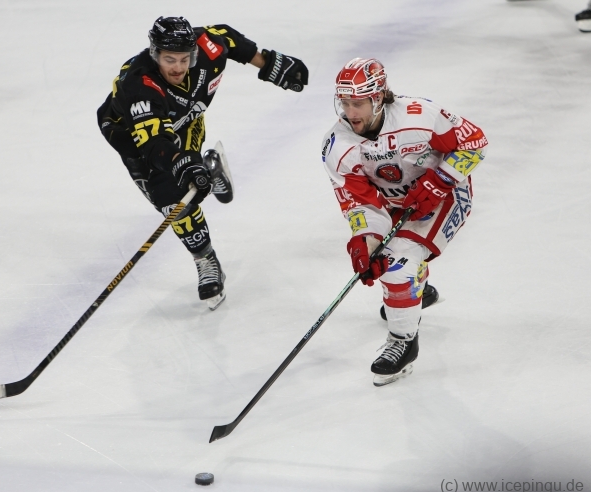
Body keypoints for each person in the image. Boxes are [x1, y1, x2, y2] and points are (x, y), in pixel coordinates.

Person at [97, 17, 308, 310]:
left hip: (185, 121)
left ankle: (204, 172)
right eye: (169, 59)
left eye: (184, 59)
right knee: (170, 201)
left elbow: (229, 38)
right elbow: (155, 144)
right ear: (155, 54)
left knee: (181, 192)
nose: (178, 67)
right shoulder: (138, 86)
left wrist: (268, 63)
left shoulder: (207, 48)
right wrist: (181, 163)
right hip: (136, 139)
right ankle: (206, 257)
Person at [320, 58, 488, 386]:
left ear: (378, 98)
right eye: (345, 103)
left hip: (446, 196)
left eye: (358, 103)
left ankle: (403, 342)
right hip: (396, 206)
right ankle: (413, 293)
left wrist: (440, 180)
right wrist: (366, 241)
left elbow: (474, 143)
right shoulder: (337, 146)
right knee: (382, 260)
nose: (350, 112)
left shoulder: (420, 116)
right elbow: (360, 202)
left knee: (399, 265)